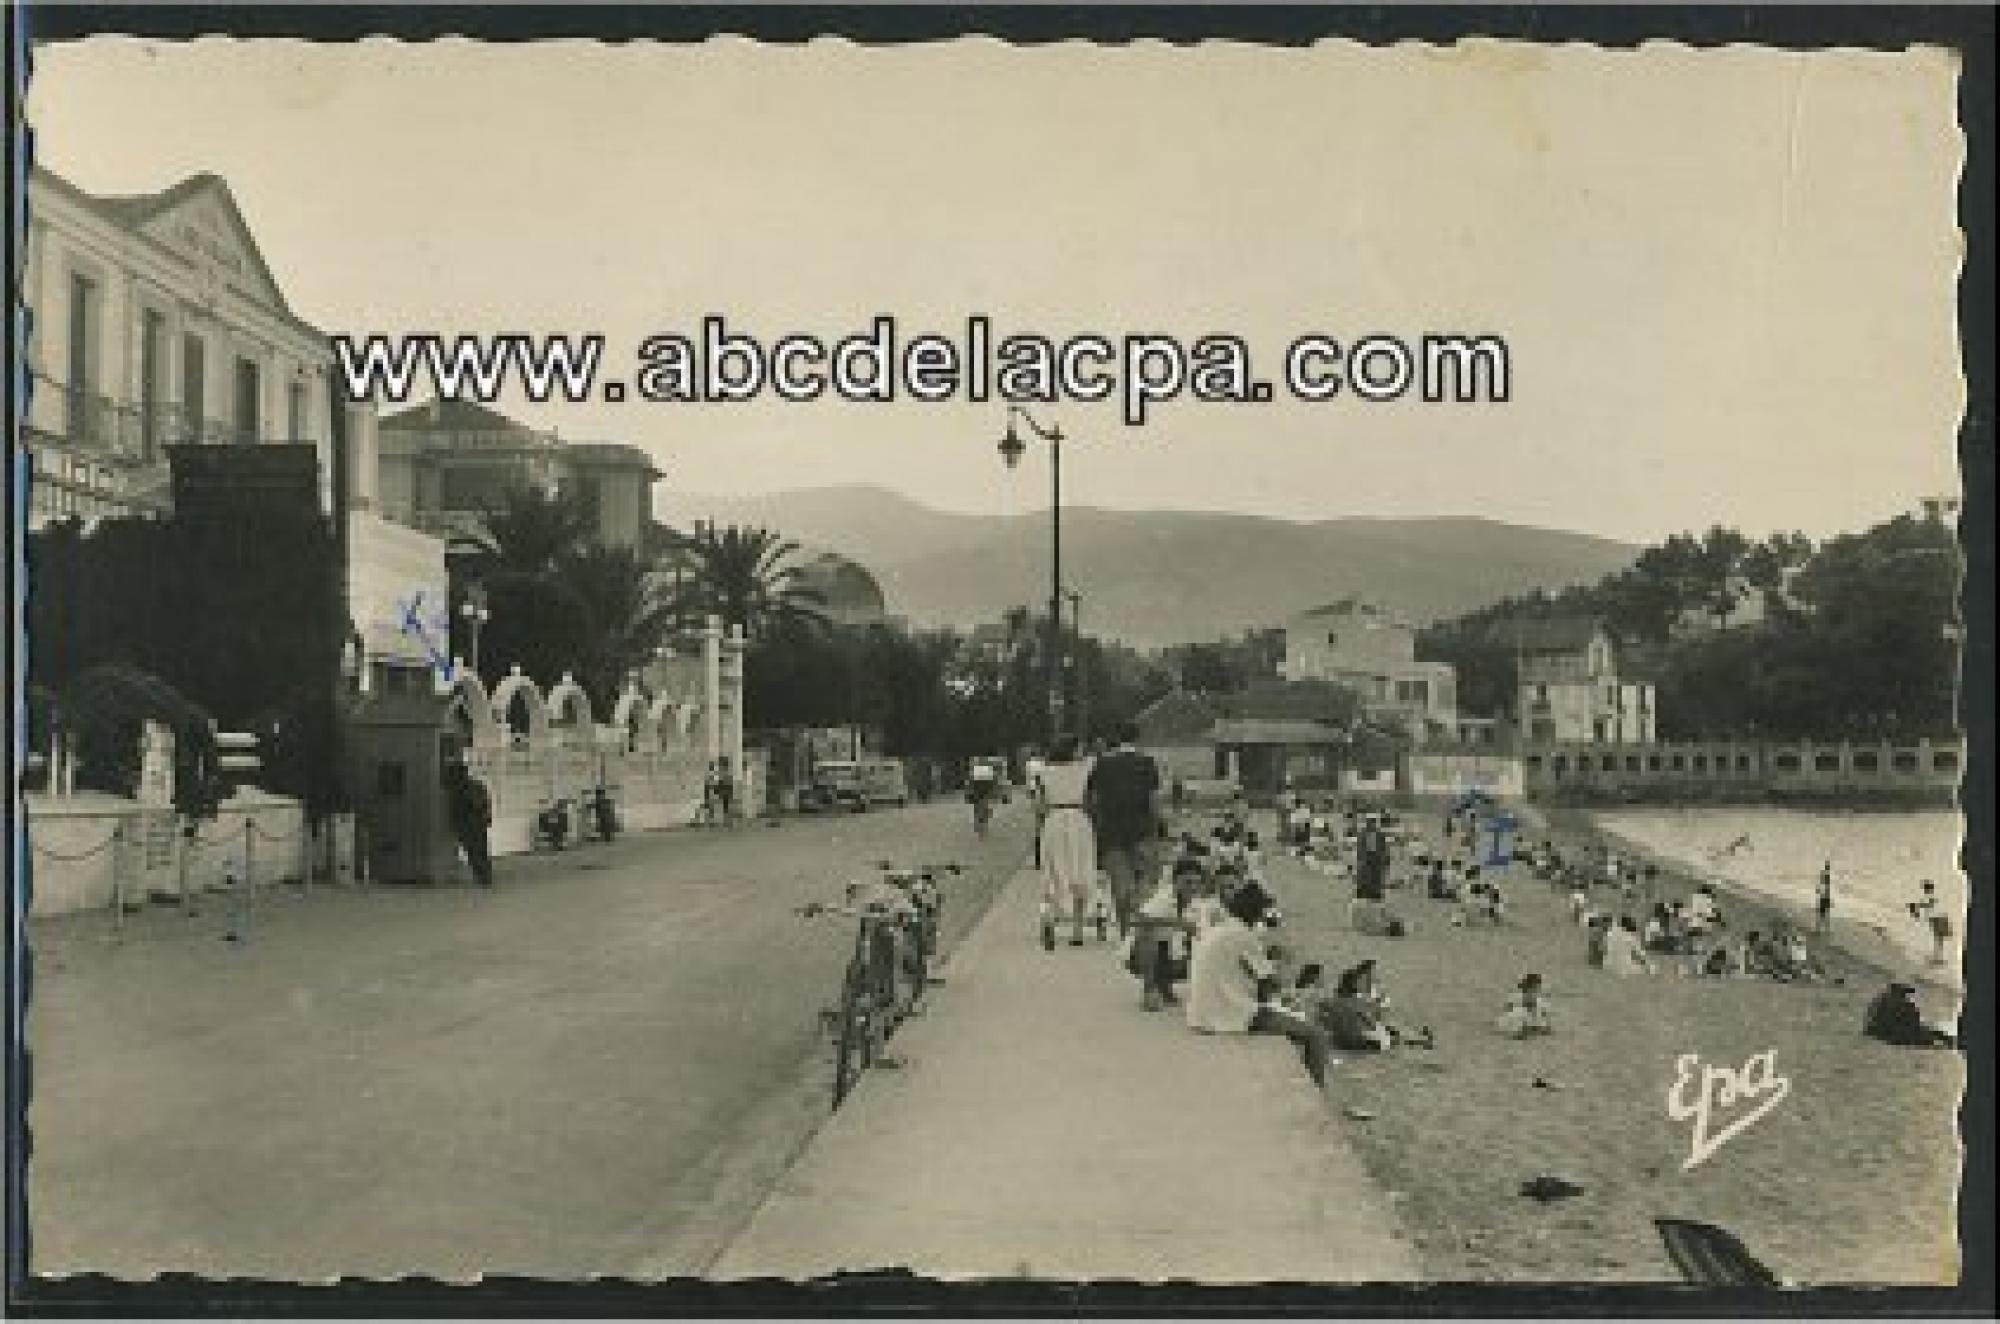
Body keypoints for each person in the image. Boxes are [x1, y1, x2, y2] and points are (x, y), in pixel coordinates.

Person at [1185, 881, 1330, 1088]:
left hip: (1201, 1013)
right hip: (1227, 1013)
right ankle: (1317, 1090)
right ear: (1256, 912)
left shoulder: (1219, 930)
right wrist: (1283, 967)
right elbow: (1270, 984)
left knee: (1291, 1017)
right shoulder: (1244, 936)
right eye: (1263, 911)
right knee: (1317, 1035)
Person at [1086, 721, 1163, 937]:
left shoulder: (1102, 764)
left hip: (1111, 831)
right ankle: (1141, 927)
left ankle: (1125, 930)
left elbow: (1092, 800)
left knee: (1120, 883)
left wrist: (1097, 823)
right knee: (1145, 880)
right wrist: (1156, 829)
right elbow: (1153, 801)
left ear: (1116, 740)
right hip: (1141, 829)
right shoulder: (1147, 763)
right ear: (1138, 738)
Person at [1034, 734, 1099, 949]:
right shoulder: (1086, 769)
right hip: (1078, 820)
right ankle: (1077, 928)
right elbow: (1092, 798)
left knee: (1052, 869)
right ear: (1073, 750)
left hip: (1054, 820)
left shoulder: (1043, 772)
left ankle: (1048, 916)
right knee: (1080, 870)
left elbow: (1040, 806)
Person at [444, 760, 494, 887]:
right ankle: (484, 874)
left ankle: (482, 874)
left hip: (470, 823)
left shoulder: (459, 789)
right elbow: (485, 802)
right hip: (476, 822)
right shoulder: (474, 786)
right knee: (479, 849)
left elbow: (460, 808)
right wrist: (487, 816)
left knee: (474, 849)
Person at [1863, 982, 1956, 1048]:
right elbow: (1913, 1021)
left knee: (1932, 1033)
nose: (1906, 996)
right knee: (1930, 1035)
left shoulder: (1881, 1001)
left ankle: (1949, 1040)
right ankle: (1951, 1041)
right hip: (1895, 1033)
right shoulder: (1896, 1003)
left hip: (1886, 1030)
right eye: (1904, 994)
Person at [1495, 972, 1553, 1038]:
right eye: (1532, 987)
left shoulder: (1539, 1001)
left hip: (1525, 1023)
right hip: (1514, 1023)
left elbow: (1542, 1019)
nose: (1535, 990)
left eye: (1536, 988)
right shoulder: (1516, 997)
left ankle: (1527, 1029)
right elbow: (1507, 1013)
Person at [1909, 881, 1952, 965]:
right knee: (1939, 940)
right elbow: (1926, 905)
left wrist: (1915, 908)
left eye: (1926, 889)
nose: (1925, 891)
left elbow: (1926, 904)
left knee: (1938, 939)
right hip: (1941, 918)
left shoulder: (1929, 897)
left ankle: (1938, 958)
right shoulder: (1933, 896)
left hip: (1937, 919)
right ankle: (1938, 957)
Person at [968, 757, 1001, 835]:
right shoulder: (986, 769)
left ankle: (980, 824)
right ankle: (982, 824)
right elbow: (993, 783)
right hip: (983, 792)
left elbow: (971, 783)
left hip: (979, 792)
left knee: (979, 808)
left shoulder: (977, 770)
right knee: (982, 808)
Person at [1815, 862, 1834, 937]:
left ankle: (1820, 929)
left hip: (1823, 898)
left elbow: (1820, 889)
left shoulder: (1824, 878)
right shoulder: (1827, 879)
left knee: (1822, 915)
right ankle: (1825, 930)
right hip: (1825, 898)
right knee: (1825, 915)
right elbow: (1826, 890)